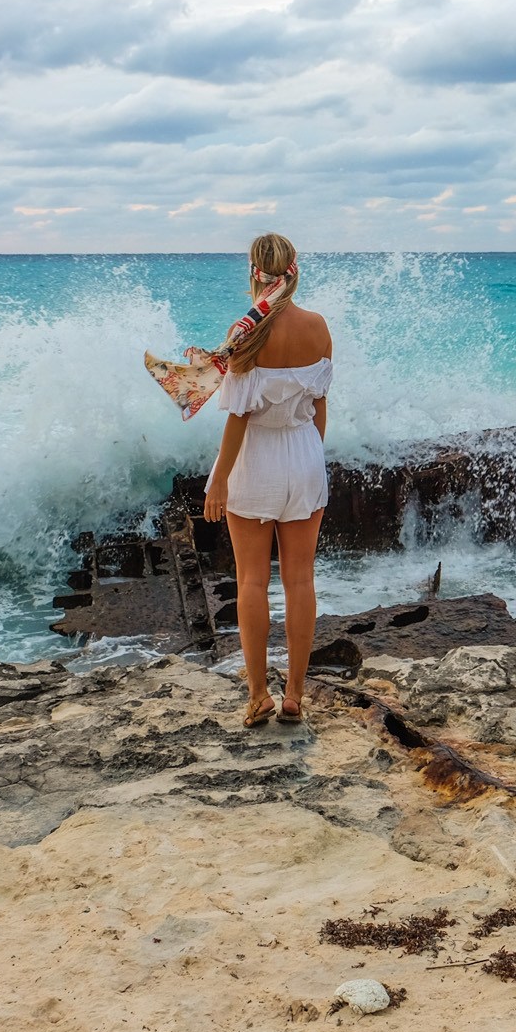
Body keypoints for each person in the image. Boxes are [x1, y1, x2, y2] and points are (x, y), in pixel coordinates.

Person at [201, 233, 333, 728]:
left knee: (252, 580)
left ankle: (258, 696)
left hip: (254, 460)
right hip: (304, 454)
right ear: (294, 271)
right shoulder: (318, 327)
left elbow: (238, 418)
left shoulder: (246, 334)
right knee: (300, 579)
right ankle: (294, 695)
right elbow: (319, 406)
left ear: (254, 274)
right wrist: (312, 458)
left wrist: (219, 479)